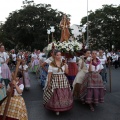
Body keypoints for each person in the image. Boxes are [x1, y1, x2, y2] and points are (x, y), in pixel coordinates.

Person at [43, 50, 73, 115]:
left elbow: (67, 72)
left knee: (64, 93)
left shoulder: (63, 62)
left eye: (60, 55)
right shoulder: (52, 63)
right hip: (55, 79)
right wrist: (48, 82)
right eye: (57, 55)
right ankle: (56, 109)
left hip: (63, 79)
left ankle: (64, 106)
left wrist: (65, 65)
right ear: (54, 56)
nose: (59, 56)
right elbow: (50, 73)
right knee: (55, 94)